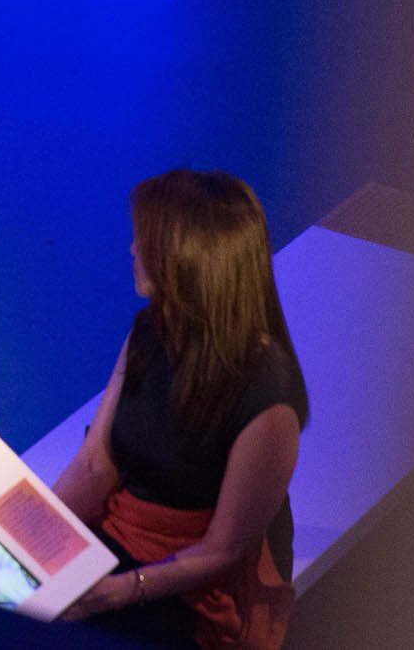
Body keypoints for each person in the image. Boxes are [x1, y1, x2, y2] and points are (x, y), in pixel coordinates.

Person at [52, 171, 309, 648]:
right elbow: (95, 465)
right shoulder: (151, 327)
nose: (132, 250)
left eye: (145, 240)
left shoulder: (269, 396)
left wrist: (119, 592)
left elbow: (222, 549)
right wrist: (35, 539)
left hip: (189, 579)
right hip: (123, 535)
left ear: (188, 258)